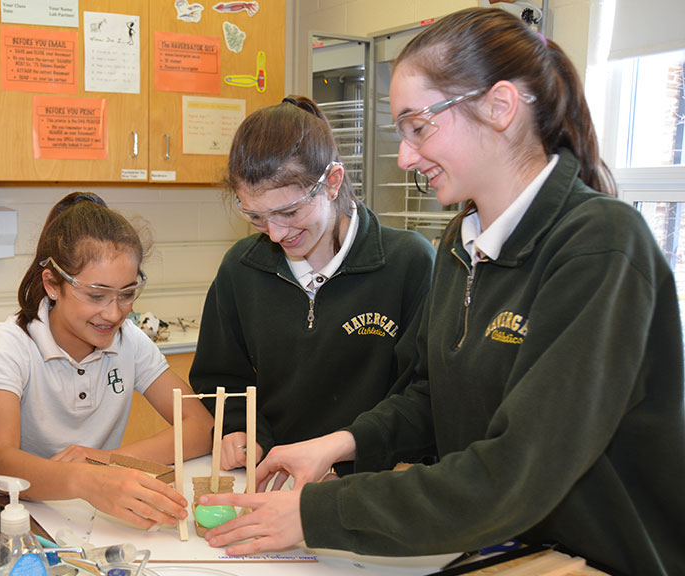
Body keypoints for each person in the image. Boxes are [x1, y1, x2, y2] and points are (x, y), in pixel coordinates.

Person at [199, 8, 685, 576]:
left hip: (593, 557)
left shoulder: (600, 246)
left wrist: (314, 512)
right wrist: (339, 443)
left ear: (500, 107)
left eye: (419, 126)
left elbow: (512, 473)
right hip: (493, 543)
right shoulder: (462, 241)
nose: (405, 156)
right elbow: (432, 399)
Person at [190, 95, 435, 473]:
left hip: (371, 483)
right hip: (273, 477)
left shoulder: (408, 264)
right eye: (255, 217)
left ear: (332, 182)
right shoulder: (241, 269)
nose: (274, 233)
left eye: (289, 212)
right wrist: (240, 429)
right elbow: (221, 377)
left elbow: (421, 397)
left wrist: (351, 460)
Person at [0, 192, 213, 530]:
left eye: (127, 294)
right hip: (18, 514)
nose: (114, 313)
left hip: (94, 513)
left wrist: (107, 462)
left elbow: (203, 427)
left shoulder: (130, 341)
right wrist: (86, 479)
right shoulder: (9, 344)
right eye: (96, 296)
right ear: (53, 284)